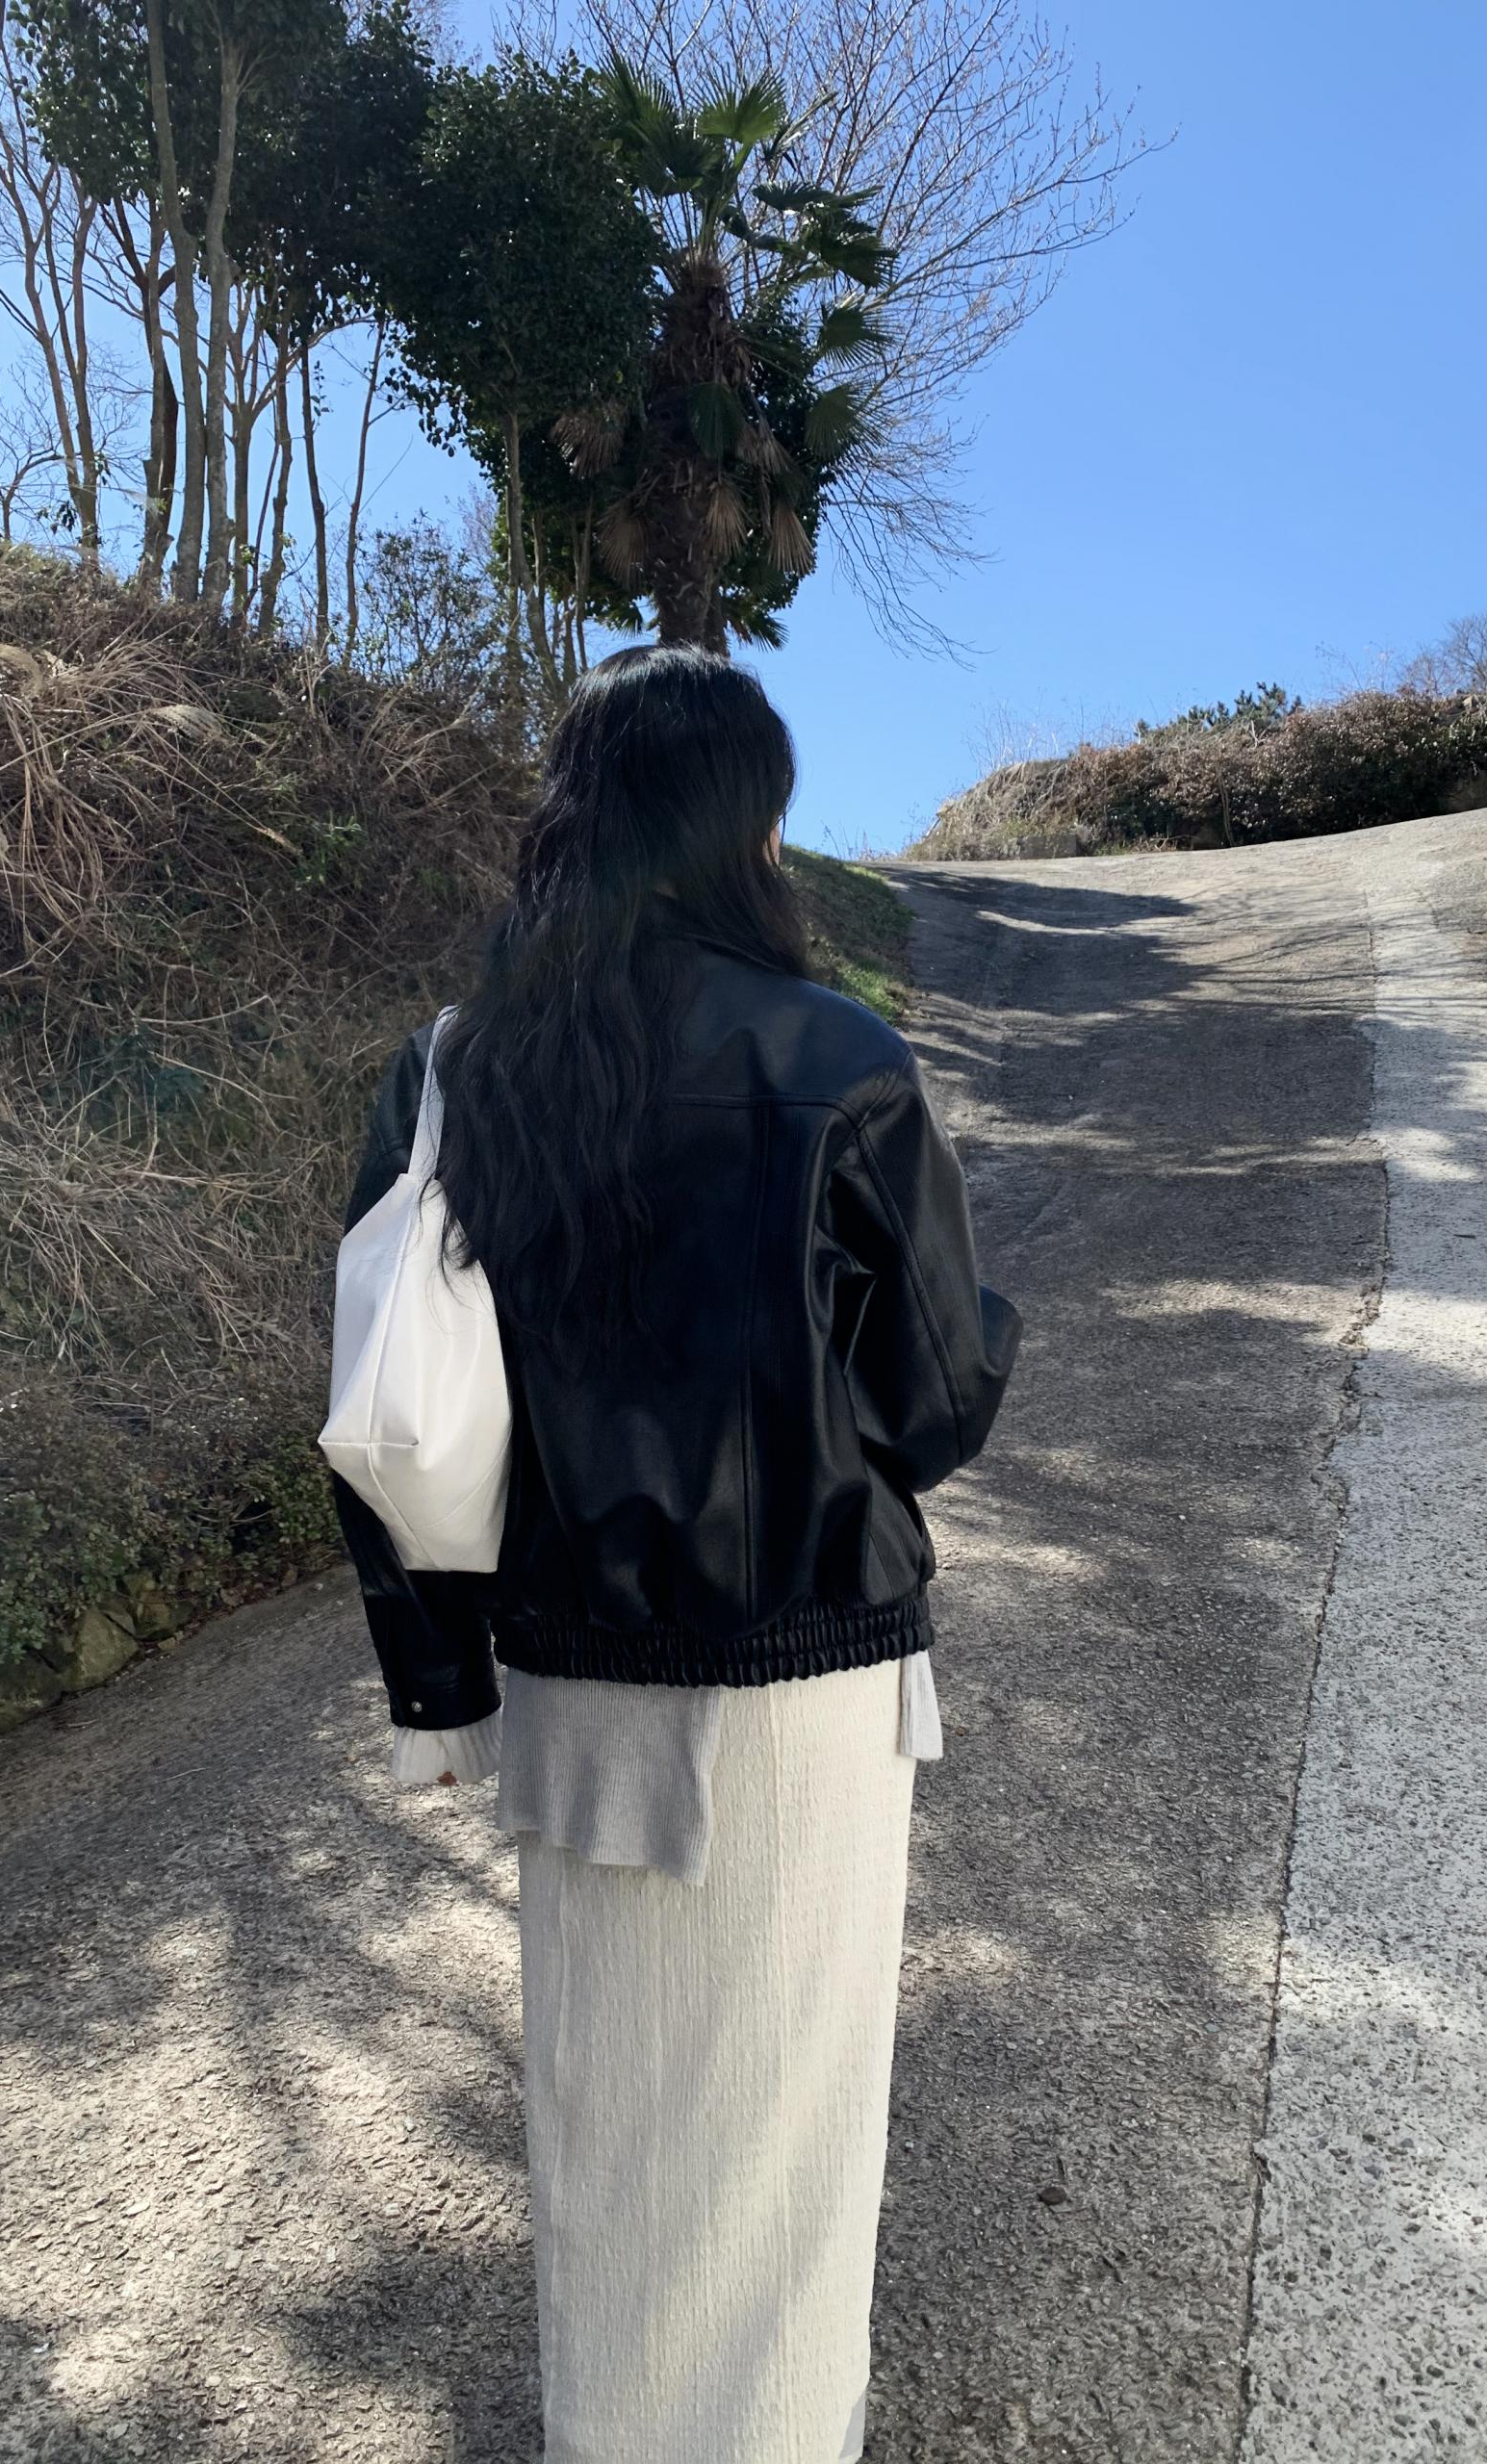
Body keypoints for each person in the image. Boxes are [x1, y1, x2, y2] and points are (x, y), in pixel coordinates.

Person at [329, 641, 1021, 2464]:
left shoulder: (458, 1069)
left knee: (611, 2111)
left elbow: (386, 1406)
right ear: (752, 830)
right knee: (788, 2125)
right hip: (808, 1681)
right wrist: (986, 1320)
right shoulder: (839, 1057)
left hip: (576, 1688)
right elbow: (937, 1406)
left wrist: (440, 1684)